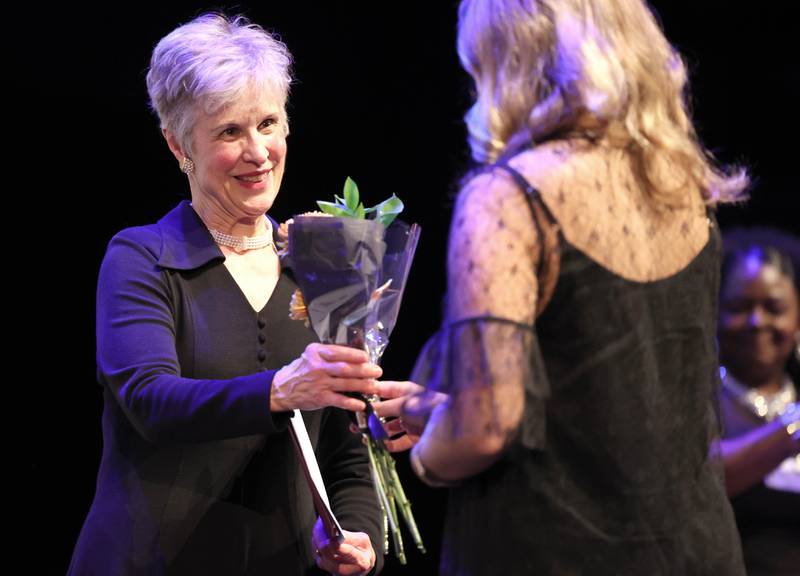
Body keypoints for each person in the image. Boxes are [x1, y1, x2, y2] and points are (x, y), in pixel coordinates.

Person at [404, 0, 750, 573]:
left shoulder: (509, 196)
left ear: (511, 60)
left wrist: (427, 456)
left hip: (554, 550)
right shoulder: (686, 186)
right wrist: (434, 406)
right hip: (695, 550)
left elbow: (485, 430)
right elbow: (609, 398)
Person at [69, 13, 384, 575]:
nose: (258, 151)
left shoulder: (324, 267)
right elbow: (150, 400)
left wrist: (361, 537)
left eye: (268, 123)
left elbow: (350, 454)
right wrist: (281, 390)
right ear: (177, 146)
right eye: (229, 132)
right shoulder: (143, 258)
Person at [717, 227, 799, 576]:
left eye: (774, 308)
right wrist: (792, 430)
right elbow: (703, 480)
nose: (756, 321)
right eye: (739, 307)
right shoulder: (698, 397)